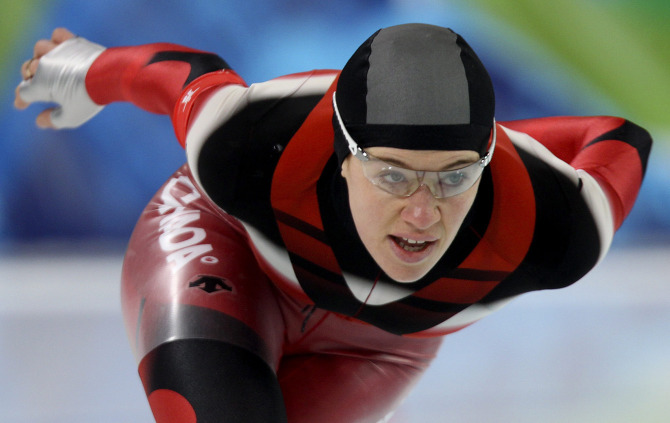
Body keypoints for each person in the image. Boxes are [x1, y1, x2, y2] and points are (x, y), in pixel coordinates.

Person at [15, 24, 651, 423]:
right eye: (393, 174)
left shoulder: (558, 228)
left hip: (373, 347)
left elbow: (621, 134)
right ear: (342, 156)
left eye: (455, 176)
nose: (424, 212)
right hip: (227, 252)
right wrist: (85, 71)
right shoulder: (251, 141)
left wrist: (505, 152)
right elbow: (180, 74)